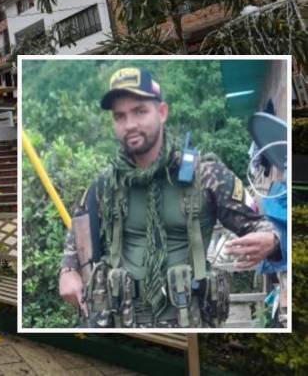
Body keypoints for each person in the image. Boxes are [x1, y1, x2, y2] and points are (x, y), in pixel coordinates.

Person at [58, 67, 281, 328]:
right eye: (120, 116)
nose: (130, 124)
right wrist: (68, 270)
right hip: (121, 321)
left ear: (162, 112)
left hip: (188, 322)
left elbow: (258, 222)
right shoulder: (105, 185)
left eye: (140, 111)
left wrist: (273, 240)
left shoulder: (206, 174)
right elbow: (76, 236)